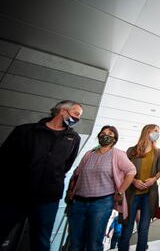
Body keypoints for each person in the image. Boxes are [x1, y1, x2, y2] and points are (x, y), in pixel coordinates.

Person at [0, 100, 83, 251]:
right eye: (76, 114)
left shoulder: (73, 138)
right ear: (63, 111)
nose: (77, 118)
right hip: (15, 195)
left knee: (41, 241)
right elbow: (5, 160)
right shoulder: (24, 131)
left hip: (47, 199)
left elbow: (66, 166)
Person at [66, 125, 136, 251]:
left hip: (102, 203)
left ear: (114, 139)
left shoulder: (118, 154)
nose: (105, 135)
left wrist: (121, 191)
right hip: (79, 202)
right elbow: (77, 173)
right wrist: (70, 190)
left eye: (110, 133)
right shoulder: (89, 154)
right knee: (75, 243)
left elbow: (131, 171)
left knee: (94, 242)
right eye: (103, 133)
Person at [118, 124, 160, 251]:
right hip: (132, 194)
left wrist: (153, 179)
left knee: (143, 230)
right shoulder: (131, 151)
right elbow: (124, 171)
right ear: (147, 132)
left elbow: (159, 171)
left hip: (149, 195)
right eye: (155, 131)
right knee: (127, 229)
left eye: (158, 132)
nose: (157, 134)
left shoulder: (157, 152)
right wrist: (134, 181)